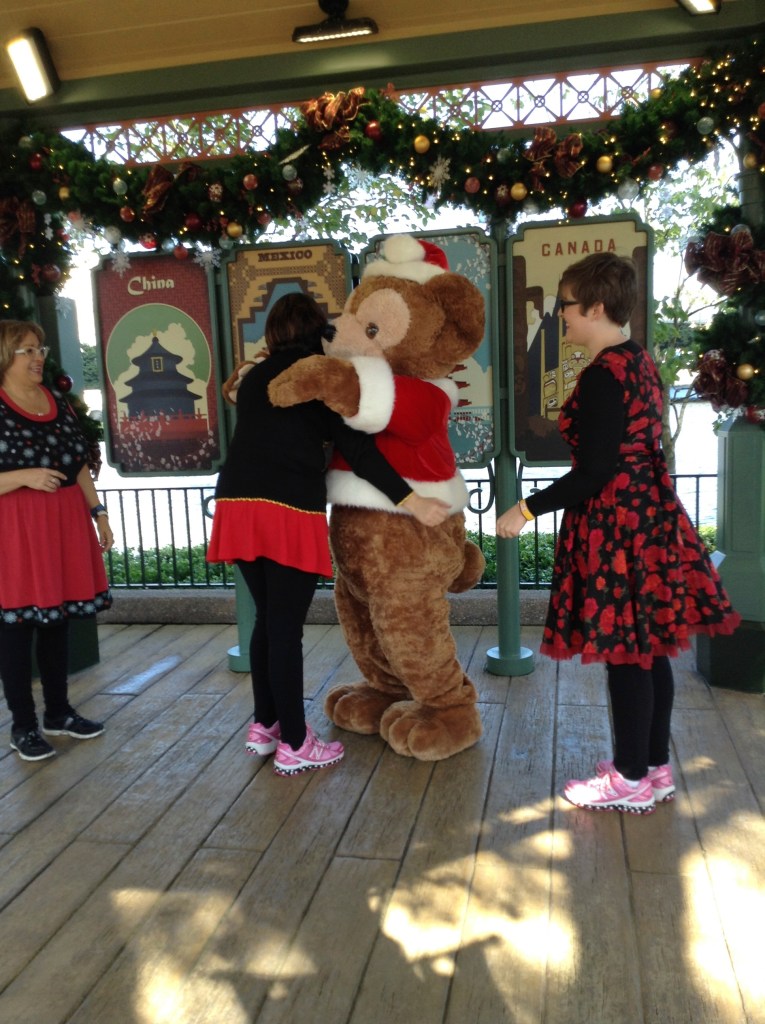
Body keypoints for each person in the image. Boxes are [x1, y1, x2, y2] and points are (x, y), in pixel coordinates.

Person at [496, 253, 740, 815]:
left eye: (566, 306)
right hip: (648, 518)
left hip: (617, 528)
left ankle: (630, 779)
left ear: (596, 307)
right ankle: (653, 769)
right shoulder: (640, 361)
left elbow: (595, 472)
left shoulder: (604, 374)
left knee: (627, 652)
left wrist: (524, 509)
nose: (561, 316)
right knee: (648, 648)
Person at [207, 292, 451, 778]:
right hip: (284, 507)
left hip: (236, 503)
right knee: (285, 629)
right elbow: (359, 451)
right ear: (318, 331)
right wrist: (412, 500)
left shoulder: (255, 376)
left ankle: (266, 725)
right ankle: (296, 743)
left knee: (266, 621)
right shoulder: (319, 377)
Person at [0, 320, 114, 762]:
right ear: (5, 355)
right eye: (27, 350)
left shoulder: (57, 400)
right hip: (17, 529)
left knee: (57, 621)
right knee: (15, 629)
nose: (38, 357)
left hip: (64, 522)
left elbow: (78, 463)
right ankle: (23, 726)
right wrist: (23, 476)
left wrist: (98, 512)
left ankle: (58, 712)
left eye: (40, 349)